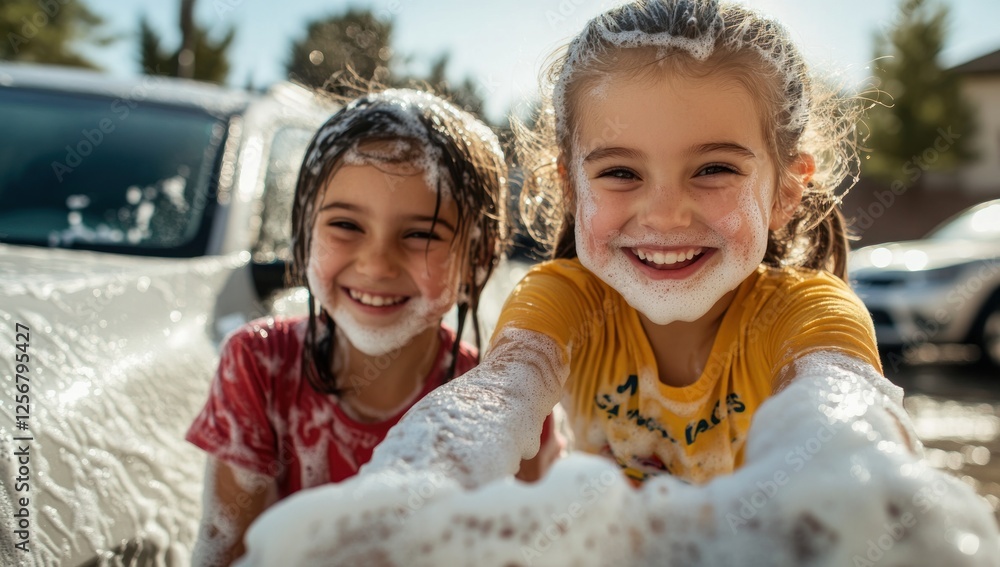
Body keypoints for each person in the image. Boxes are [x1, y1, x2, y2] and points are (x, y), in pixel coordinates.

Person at [234, 2, 999, 565]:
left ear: (788, 187)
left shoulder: (808, 314)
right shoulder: (566, 302)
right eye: (621, 172)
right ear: (569, 185)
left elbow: (847, 427)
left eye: (715, 168)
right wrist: (394, 502)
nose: (665, 210)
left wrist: (875, 498)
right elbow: (489, 402)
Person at [184, 87, 560, 565]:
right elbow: (223, 551)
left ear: (478, 260)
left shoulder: (511, 411)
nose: (377, 263)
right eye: (346, 225)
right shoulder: (259, 366)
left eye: (421, 234)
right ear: (304, 234)